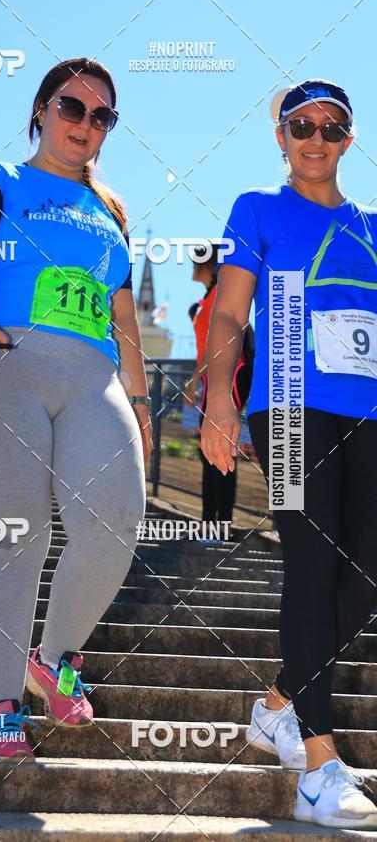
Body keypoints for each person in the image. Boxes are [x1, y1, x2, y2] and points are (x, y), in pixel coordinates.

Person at [0, 57, 150, 762]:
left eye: (102, 116)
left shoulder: (112, 211)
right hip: (2, 367)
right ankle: (1, 707)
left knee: (116, 523)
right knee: (16, 533)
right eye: (71, 107)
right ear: (40, 109)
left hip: (94, 383)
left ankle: (54, 660)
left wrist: (142, 398)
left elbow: (125, 318)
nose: (85, 125)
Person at [201, 80, 377, 829]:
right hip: (288, 405)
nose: (315, 137)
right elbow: (232, 311)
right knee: (311, 564)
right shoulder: (258, 209)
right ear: (280, 135)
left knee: (365, 577)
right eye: (300, 125)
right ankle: (319, 765)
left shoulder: (370, 225)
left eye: (330, 127)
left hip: (367, 410)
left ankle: (277, 704)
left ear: (347, 139)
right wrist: (218, 399)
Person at [185, 243, 253, 525]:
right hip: (214, 377)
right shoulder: (208, 297)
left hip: (230, 373)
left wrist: (192, 380)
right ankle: (209, 523)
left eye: (195, 261)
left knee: (221, 448)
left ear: (206, 264)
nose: (191, 266)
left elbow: (222, 342)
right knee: (207, 450)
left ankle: (220, 525)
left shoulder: (219, 295)